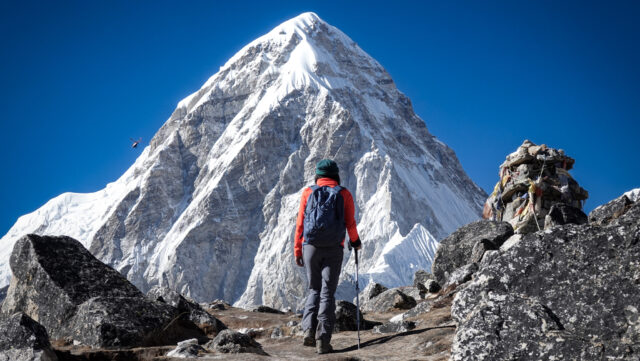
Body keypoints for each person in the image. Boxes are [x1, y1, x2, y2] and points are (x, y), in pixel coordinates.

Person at [294, 159, 362, 354]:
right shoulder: (344, 193)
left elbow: (300, 225)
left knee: (313, 289)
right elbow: (350, 224)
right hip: (334, 248)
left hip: (310, 247)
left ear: (318, 175)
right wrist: (355, 242)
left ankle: (308, 330)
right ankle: (323, 340)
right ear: (335, 175)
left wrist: (298, 250)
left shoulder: (308, 192)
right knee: (327, 292)